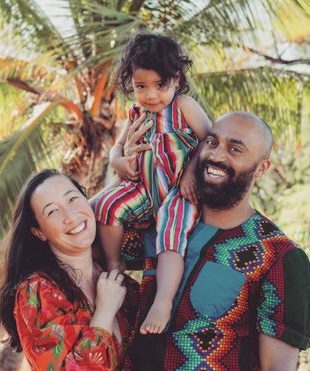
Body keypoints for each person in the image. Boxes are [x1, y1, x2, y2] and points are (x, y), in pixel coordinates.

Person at [128, 112, 310, 370]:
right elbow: (76, 239)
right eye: (212, 142)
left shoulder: (279, 256)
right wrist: (122, 163)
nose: (216, 156)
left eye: (235, 149)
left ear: (261, 168)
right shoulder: (162, 224)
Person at [95, 33, 211, 335]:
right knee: (107, 206)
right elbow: (116, 149)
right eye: (140, 86)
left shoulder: (184, 107)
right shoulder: (137, 113)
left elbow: (208, 142)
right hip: (144, 189)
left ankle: (163, 300)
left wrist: (190, 173)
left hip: (178, 193)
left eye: (160, 85)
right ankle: (114, 263)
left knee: (170, 238)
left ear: (176, 79)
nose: (150, 95)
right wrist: (117, 161)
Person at [0, 169, 139, 370]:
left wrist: (120, 160)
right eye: (52, 211)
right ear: (39, 232)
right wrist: (105, 311)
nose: (70, 216)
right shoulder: (37, 291)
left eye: (72, 199)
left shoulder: (119, 281)